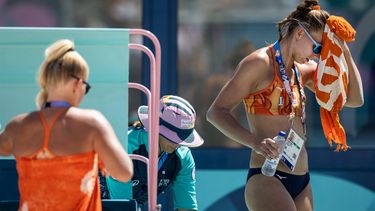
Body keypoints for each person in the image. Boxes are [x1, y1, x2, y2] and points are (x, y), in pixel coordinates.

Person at [206, 1, 364, 211]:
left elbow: (354, 99)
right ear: (299, 34)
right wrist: (255, 142)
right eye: (318, 47)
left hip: (302, 180)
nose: (317, 55)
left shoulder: (304, 69)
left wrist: (343, 49)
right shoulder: (259, 64)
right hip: (268, 177)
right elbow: (216, 112)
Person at [0, 39, 133, 210]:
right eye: (86, 86)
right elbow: (124, 173)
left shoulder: (17, 127)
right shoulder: (92, 124)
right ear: (77, 83)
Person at [104, 95, 204, 211]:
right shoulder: (125, 146)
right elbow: (121, 207)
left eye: (182, 138)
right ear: (156, 128)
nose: (178, 143)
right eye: (172, 136)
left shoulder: (183, 157)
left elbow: (187, 207)